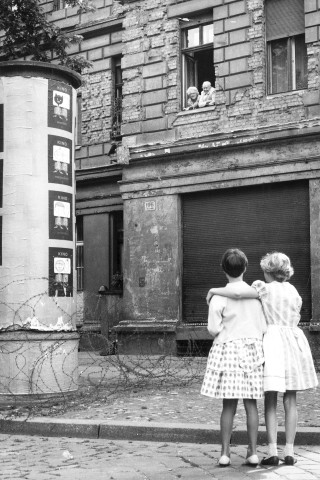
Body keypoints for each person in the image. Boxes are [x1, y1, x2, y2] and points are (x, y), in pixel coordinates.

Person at [206, 252, 318, 466]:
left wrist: (213, 290)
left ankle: (272, 450)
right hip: (294, 340)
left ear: (268, 270)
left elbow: (237, 294)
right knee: (291, 399)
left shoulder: (262, 288)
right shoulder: (293, 291)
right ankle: (290, 451)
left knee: (270, 397)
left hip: (274, 341)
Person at [201, 249, 267, 467]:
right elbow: (263, 326)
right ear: (246, 268)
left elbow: (212, 329)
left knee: (228, 405)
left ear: (223, 269)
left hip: (227, 350)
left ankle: (225, 452)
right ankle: (253, 452)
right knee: (251, 404)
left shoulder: (218, 297)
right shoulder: (256, 296)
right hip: (252, 351)